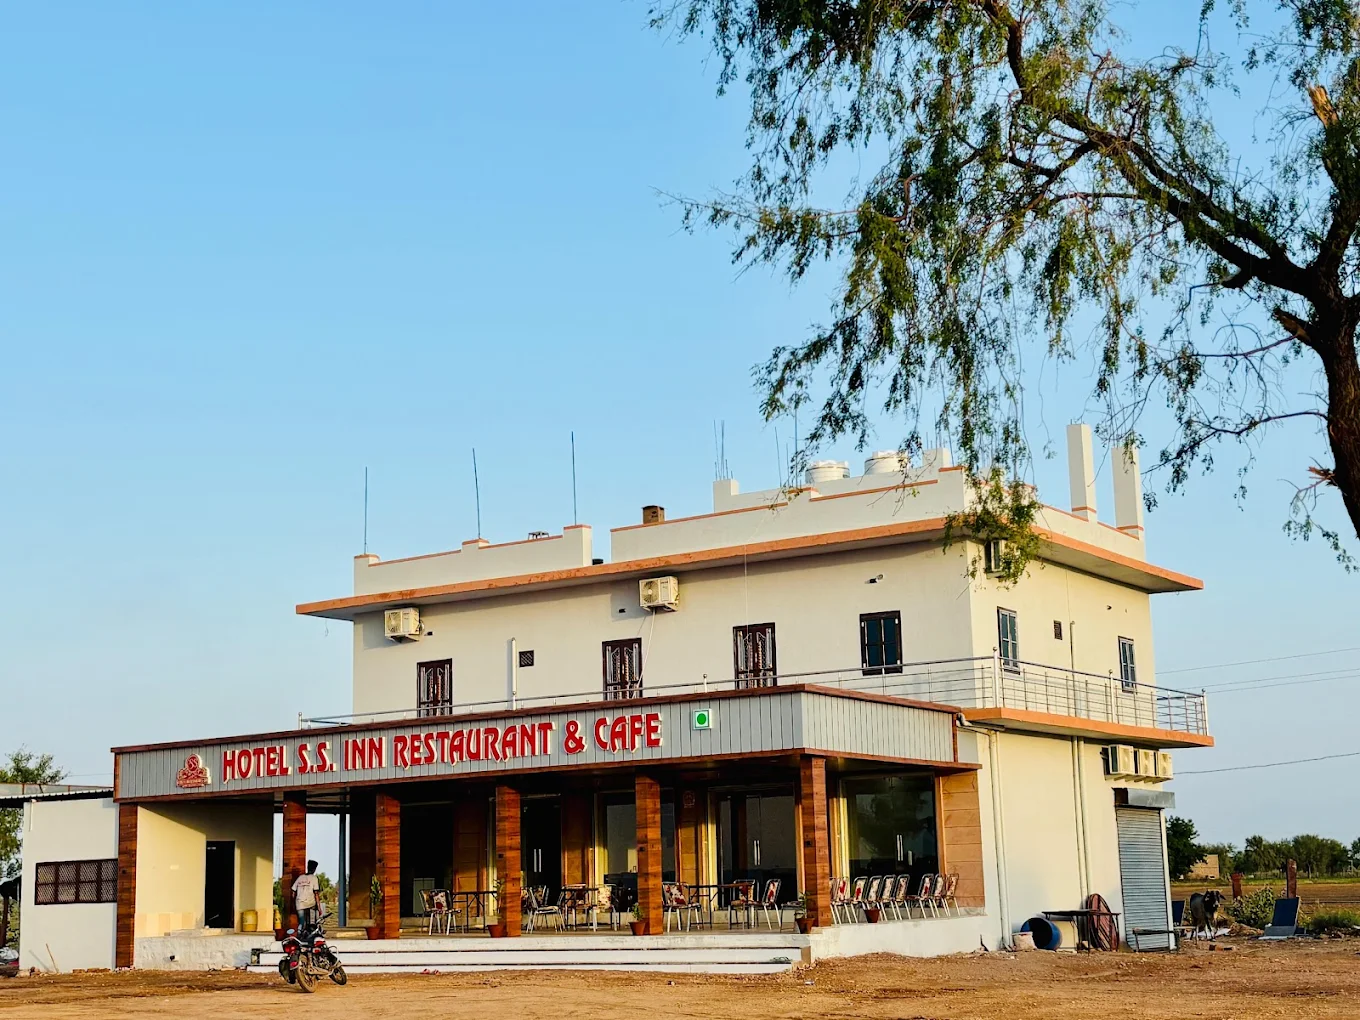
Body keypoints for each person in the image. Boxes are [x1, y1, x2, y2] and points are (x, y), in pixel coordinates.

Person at [292, 860, 322, 932]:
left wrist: (294, 902)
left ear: (308, 867)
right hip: (310, 903)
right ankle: (312, 931)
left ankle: (299, 932)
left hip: (300, 903)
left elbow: (293, 892)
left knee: (301, 922)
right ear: (314, 869)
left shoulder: (300, 878)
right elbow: (316, 893)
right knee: (313, 921)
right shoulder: (314, 878)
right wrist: (319, 907)